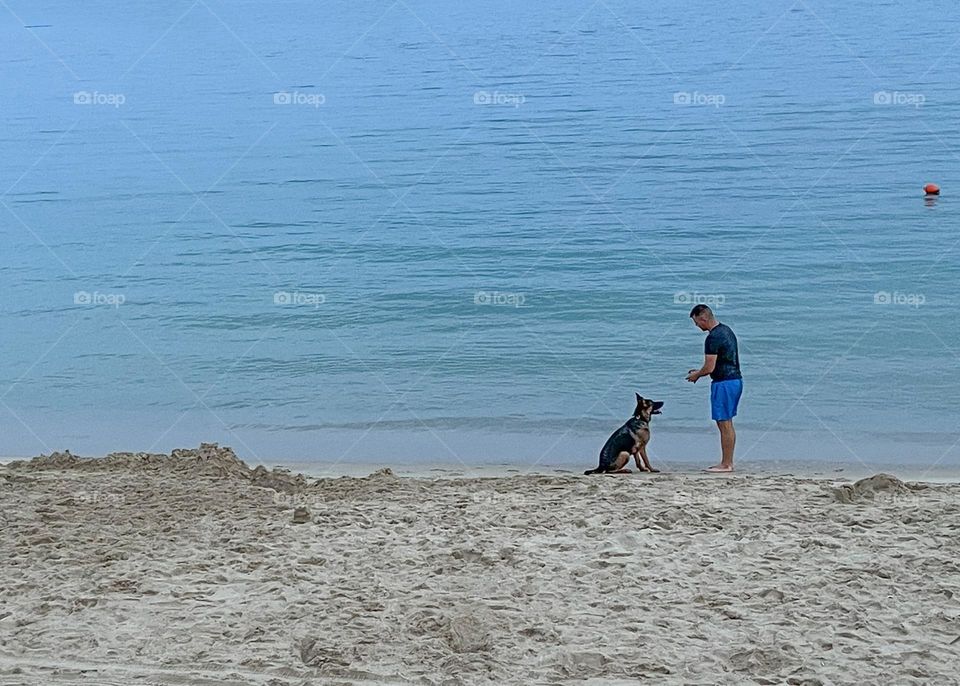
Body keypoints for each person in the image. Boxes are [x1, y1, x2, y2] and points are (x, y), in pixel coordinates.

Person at [685, 305, 742, 472]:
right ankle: (727, 462)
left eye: (696, 322)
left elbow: (709, 367)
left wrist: (696, 374)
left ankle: (726, 464)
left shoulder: (713, 338)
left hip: (724, 383)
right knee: (727, 423)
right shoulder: (726, 330)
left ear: (703, 318)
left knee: (724, 423)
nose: (696, 326)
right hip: (735, 380)